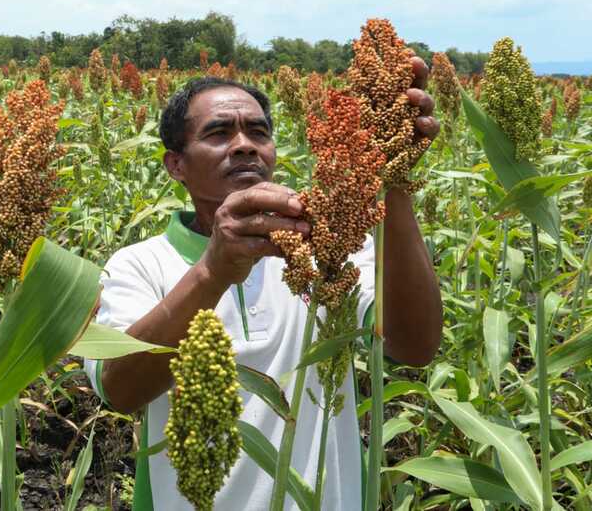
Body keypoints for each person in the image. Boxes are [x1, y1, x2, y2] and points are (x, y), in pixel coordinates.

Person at [83, 66, 442, 510]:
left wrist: (394, 182)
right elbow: (120, 389)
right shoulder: (140, 264)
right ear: (176, 163)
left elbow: (416, 346)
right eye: (218, 133)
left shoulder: (331, 248)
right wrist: (213, 270)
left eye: (258, 132)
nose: (244, 145)